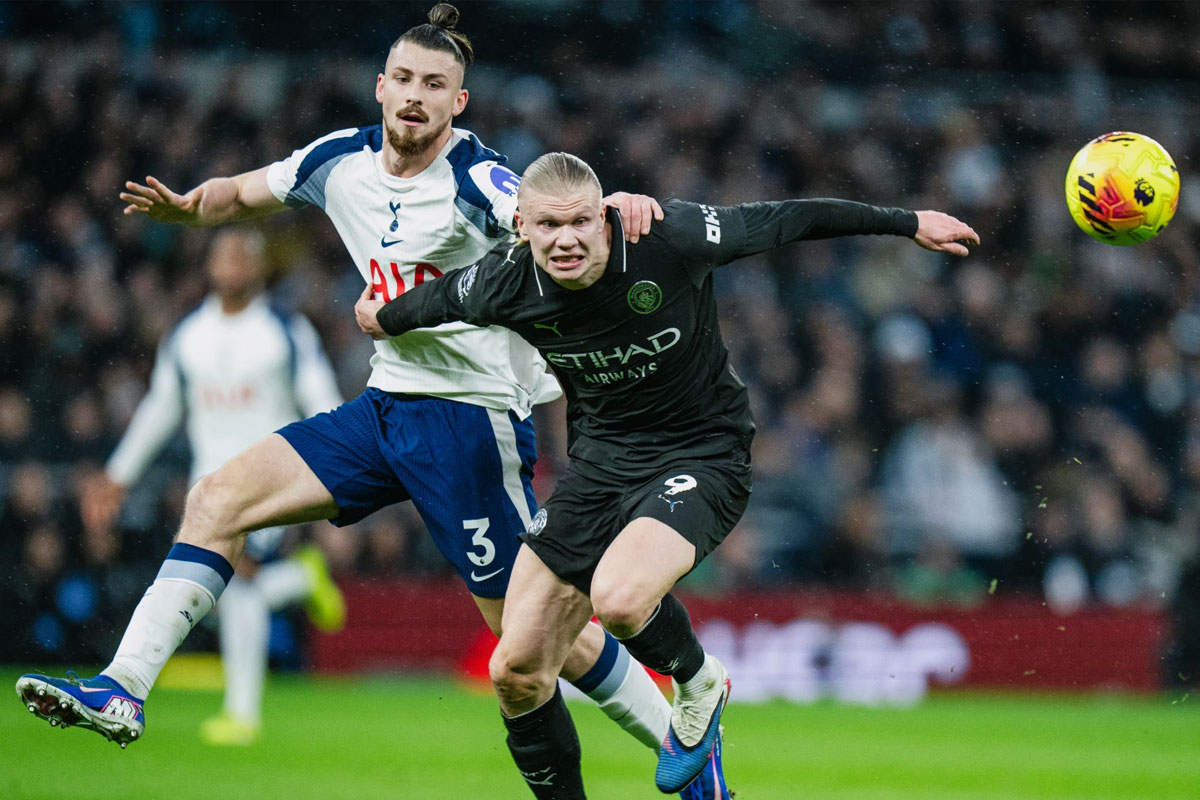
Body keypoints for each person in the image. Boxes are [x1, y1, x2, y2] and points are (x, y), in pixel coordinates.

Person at [16, 7, 731, 798]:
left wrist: (618, 210)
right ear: (380, 87)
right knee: (216, 498)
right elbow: (246, 194)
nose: (417, 97)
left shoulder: (477, 179)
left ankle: (686, 739)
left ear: (459, 103)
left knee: (535, 644)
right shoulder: (338, 160)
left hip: (471, 423)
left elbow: (551, 217)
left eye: (437, 85)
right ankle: (122, 688)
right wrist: (189, 206)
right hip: (384, 408)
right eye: (406, 81)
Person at [354, 151, 981, 797]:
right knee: (514, 667)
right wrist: (380, 315)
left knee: (621, 601)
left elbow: (790, 218)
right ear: (521, 227)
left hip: (701, 455)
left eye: (578, 222)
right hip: (598, 469)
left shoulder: (665, 237)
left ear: (603, 216)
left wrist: (905, 222)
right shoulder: (502, 282)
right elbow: (428, 302)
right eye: (547, 226)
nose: (565, 239)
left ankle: (701, 682)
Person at [86, 228, 346, 746]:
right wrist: (118, 474)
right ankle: (298, 580)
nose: (231, 264)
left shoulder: (285, 331)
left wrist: (335, 478)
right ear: (208, 266)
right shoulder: (187, 335)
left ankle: (242, 714)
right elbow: (161, 407)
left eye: (241, 254)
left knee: (240, 580)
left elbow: (322, 401)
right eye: (222, 255)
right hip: (206, 486)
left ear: (258, 267)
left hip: (273, 477)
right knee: (216, 596)